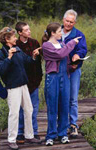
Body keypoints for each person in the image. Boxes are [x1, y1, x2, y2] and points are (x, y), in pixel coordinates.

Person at [0, 27, 41, 150]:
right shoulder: (1, 53)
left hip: (23, 85)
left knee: (29, 109)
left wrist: (33, 56)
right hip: (12, 88)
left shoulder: (17, 49)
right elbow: (1, 70)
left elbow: (27, 61)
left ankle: (29, 135)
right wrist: (9, 57)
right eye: (13, 36)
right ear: (7, 39)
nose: (16, 38)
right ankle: (11, 140)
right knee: (14, 114)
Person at [42, 22, 81, 146]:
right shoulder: (46, 46)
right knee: (52, 108)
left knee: (64, 107)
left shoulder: (62, 44)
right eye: (59, 31)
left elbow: (66, 59)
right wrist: (72, 43)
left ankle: (63, 134)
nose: (61, 33)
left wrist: (74, 65)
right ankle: (51, 135)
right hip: (53, 78)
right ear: (53, 33)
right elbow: (60, 54)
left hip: (65, 77)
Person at [60, 9, 87, 138]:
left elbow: (83, 49)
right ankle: (62, 125)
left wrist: (78, 54)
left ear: (75, 22)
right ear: (63, 20)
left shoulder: (79, 34)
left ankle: (73, 125)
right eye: (67, 21)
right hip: (59, 71)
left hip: (74, 70)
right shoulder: (55, 32)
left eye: (71, 22)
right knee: (61, 98)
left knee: (73, 99)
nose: (69, 24)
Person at [15, 22, 42, 143]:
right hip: (20, 81)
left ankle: (34, 132)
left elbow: (38, 63)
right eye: (26, 30)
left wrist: (37, 55)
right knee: (21, 109)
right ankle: (20, 132)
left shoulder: (34, 43)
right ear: (20, 32)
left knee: (34, 108)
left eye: (29, 29)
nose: (29, 31)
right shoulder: (16, 44)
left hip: (34, 80)